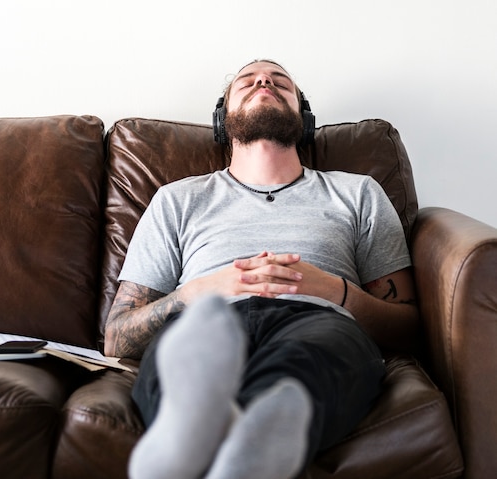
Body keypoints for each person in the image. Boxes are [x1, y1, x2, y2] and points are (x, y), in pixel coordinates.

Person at [104, 59, 419, 479]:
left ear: (303, 119)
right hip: (207, 324)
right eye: (247, 82)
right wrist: (193, 294)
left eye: (280, 82)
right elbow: (116, 336)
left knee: (307, 360)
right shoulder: (176, 200)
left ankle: (213, 449)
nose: (264, 81)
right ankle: (228, 444)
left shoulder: (357, 192)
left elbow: (408, 327)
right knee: (188, 358)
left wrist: (334, 291)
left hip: (318, 320)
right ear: (223, 119)